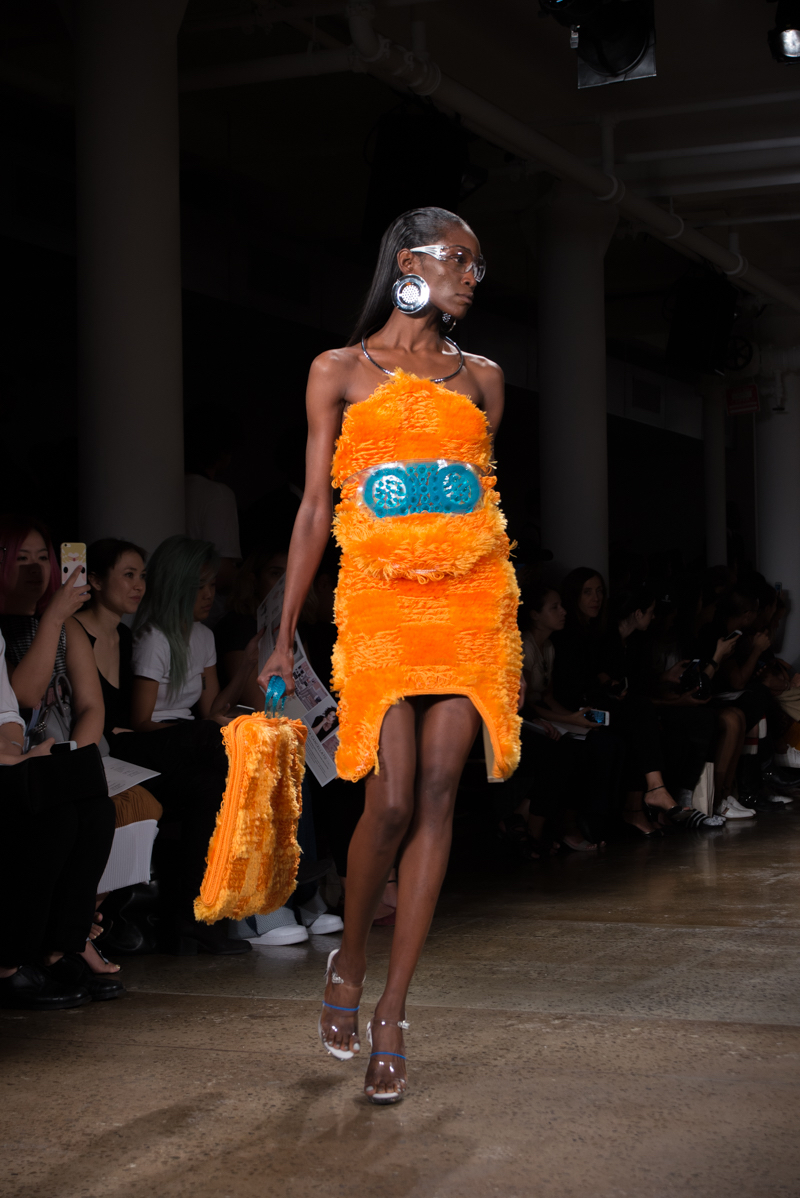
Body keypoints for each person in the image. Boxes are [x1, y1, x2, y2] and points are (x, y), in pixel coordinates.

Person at [257, 207, 523, 1104]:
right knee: (394, 796)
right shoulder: (337, 370)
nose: (472, 277)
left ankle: (394, 1012)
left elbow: (479, 501)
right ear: (410, 260)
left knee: (440, 793)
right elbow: (313, 509)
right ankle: (352, 957)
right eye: (460, 259)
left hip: (469, 601)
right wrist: (280, 638)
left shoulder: (482, 379)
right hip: (377, 599)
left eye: (479, 266)